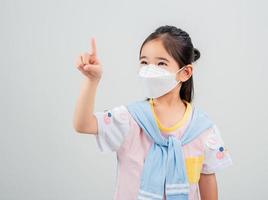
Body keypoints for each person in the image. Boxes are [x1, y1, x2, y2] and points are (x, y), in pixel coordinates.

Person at [73, 25, 232, 200]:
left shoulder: (202, 130)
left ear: (185, 73)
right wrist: (92, 80)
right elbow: (83, 124)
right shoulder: (130, 119)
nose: (150, 69)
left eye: (161, 63)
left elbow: (207, 181)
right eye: (144, 62)